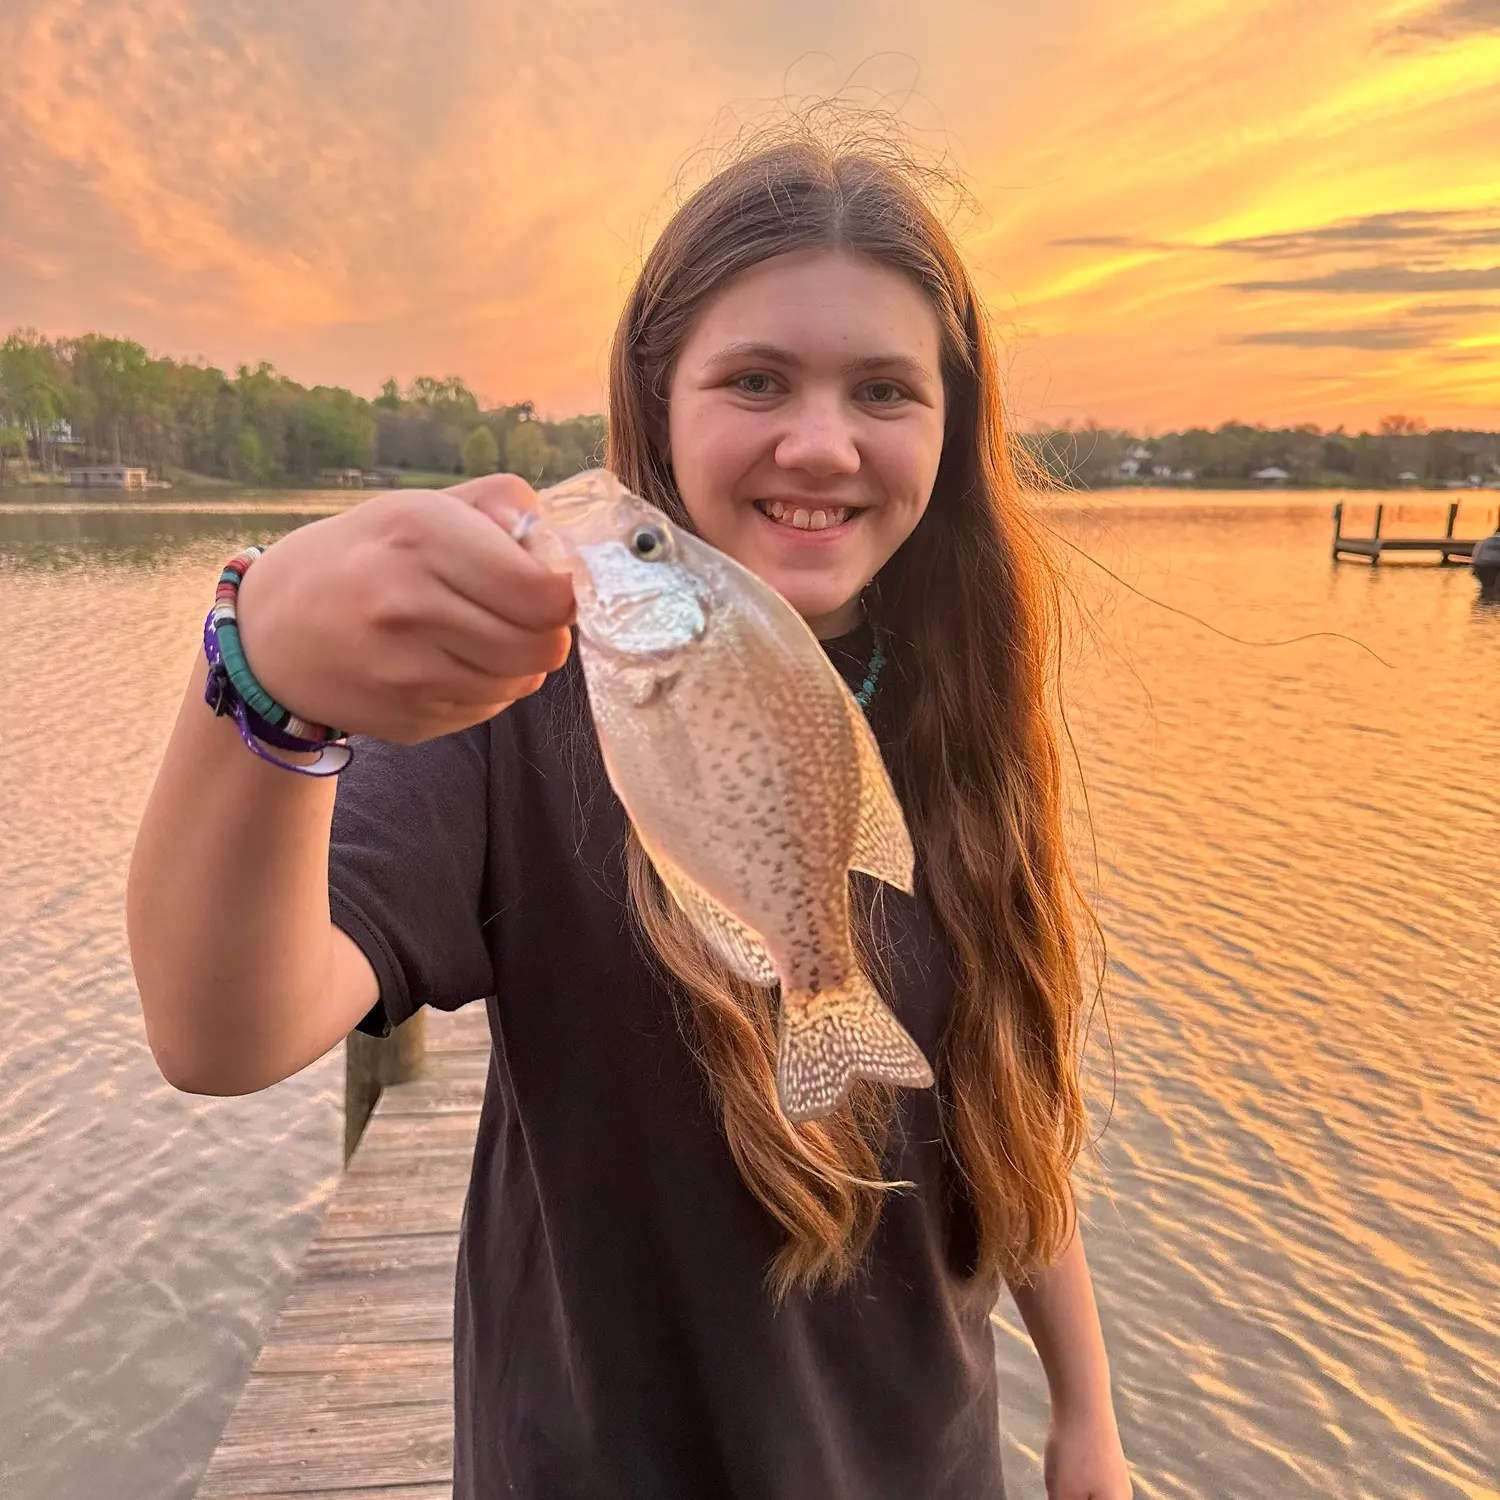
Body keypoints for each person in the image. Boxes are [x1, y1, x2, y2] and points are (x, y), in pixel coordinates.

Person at [126, 125, 1132, 1500]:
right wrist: (268, 677)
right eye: (757, 380)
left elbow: (1008, 1108)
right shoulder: (509, 701)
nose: (823, 442)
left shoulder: (968, 721)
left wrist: (1088, 1416)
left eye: (887, 390)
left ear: (952, 428)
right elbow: (220, 1035)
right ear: (657, 401)